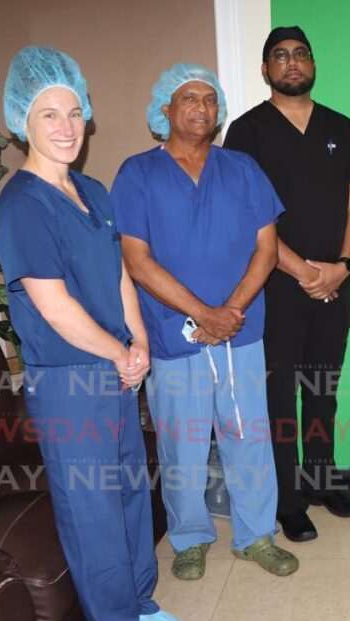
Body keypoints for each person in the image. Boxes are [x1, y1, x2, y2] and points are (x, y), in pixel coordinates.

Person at [0, 46, 185, 621]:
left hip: (115, 368)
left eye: (75, 111)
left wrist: (140, 343)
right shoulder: (21, 204)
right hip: (68, 382)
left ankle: (138, 604)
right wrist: (120, 350)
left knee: (131, 491)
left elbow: (121, 277)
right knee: (94, 509)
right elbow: (55, 308)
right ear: (24, 120)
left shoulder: (93, 192)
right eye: (50, 114)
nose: (67, 126)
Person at [111, 64, 298, 582]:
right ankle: (190, 538)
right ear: (165, 110)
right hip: (175, 336)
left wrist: (231, 312)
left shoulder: (242, 169)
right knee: (182, 442)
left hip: (241, 332)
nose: (200, 108)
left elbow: (266, 248)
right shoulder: (137, 173)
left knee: (249, 436)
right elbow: (137, 260)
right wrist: (203, 313)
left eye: (210, 100)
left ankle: (257, 535)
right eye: (188, 98)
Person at [224, 26, 350, 542]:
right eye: (280, 56)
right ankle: (287, 499)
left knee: (321, 391)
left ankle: (322, 479)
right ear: (265, 69)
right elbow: (246, 218)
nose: (291, 63)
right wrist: (306, 272)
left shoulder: (341, 127)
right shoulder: (246, 132)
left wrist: (344, 265)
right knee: (280, 396)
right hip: (277, 289)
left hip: (336, 284)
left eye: (300, 54)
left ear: (312, 63)